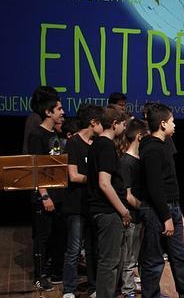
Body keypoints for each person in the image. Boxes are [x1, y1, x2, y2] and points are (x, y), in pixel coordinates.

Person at [138, 103, 184, 298]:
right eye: (172, 121)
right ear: (163, 124)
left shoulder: (164, 145)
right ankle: (151, 295)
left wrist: (175, 211)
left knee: (179, 257)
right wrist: (166, 216)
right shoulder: (151, 149)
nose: (175, 124)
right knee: (154, 259)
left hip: (171, 206)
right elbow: (155, 187)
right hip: (157, 211)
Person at [87, 106, 131, 298]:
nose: (124, 128)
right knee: (109, 263)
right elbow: (104, 184)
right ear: (114, 124)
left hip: (104, 211)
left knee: (111, 262)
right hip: (108, 212)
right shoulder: (105, 146)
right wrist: (123, 211)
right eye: (123, 124)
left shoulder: (97, 144)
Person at [61, 104, 104, 298]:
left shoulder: (96, 143)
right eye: (100, 123)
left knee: (93, 248)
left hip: (93, 204)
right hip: (76, 205)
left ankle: (94, 286)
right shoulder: (74, 143)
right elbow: (73, 175)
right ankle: (69, 289)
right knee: (74, 249)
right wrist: (96, 179)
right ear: (93, 123)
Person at [27, 89, 66, 290]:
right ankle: (40, 276)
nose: (62, 112)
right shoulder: (37, 135)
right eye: (59, 108)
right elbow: (36, 169)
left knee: (56, 237)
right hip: (44, 196)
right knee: (42, 238)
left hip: (59, 194)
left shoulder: (55, 134)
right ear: (48, 112)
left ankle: (52, 272)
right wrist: (44, 195)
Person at [117, 118, 148, 298]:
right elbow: (128, 196)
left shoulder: (141, 159)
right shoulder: (126, 162)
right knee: (129, 258)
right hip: (134, 217)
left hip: (143, 217)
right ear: (138, 137)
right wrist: (145, 208)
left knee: (144, 256)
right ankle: (128, 290)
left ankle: (147, 288)